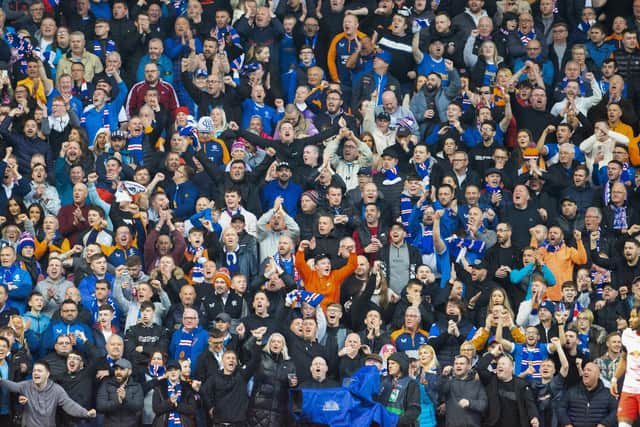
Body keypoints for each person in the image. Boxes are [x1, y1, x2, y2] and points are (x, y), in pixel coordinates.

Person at [0, 360, 97, 427]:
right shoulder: (26, 385)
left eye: (39, 371)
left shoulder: (56, 389)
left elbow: (69, 405)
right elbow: (12, 386)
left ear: (47, 374)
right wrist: (1, 380)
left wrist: (85, 413)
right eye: (34, 371)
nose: (36, 373)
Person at [96, 358, 144, 427]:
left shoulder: (136, 386)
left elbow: (139, 406)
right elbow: (100, 406)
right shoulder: (106, 384)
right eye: (116, 369)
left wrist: (125, 399)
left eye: (122, 369)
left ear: (129, 372)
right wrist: (117, 402)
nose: (118, 372)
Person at [378, 351, 421, 426]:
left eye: (393, 363)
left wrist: (398, 421)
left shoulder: (411, 384)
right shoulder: (384, 381)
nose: (389, 366)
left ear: (402, 364)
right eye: (389, 363)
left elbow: (414, 409)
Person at [152, 360, 197, 427]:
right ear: (167, 373)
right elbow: (156, 409)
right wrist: (169, 402)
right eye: (170, 370)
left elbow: (192, 409)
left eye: (175, 369)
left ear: (180, 372)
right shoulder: (159, 387)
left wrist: (177, 404)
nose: (173, 372)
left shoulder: (187, 387)